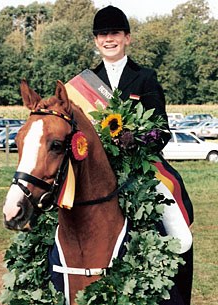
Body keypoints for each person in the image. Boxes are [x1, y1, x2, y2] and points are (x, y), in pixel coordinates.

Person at [91, 5, 193, 305]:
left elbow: (162, 129)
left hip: (142, 169)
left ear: (127, 38)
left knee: (179, 233)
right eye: (102, 34)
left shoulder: (145, 77)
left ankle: (176, 297)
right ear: (96, 41)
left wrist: (136, 141)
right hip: (97, 172)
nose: (109, 39)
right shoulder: (83, 82)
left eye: (115, 34)